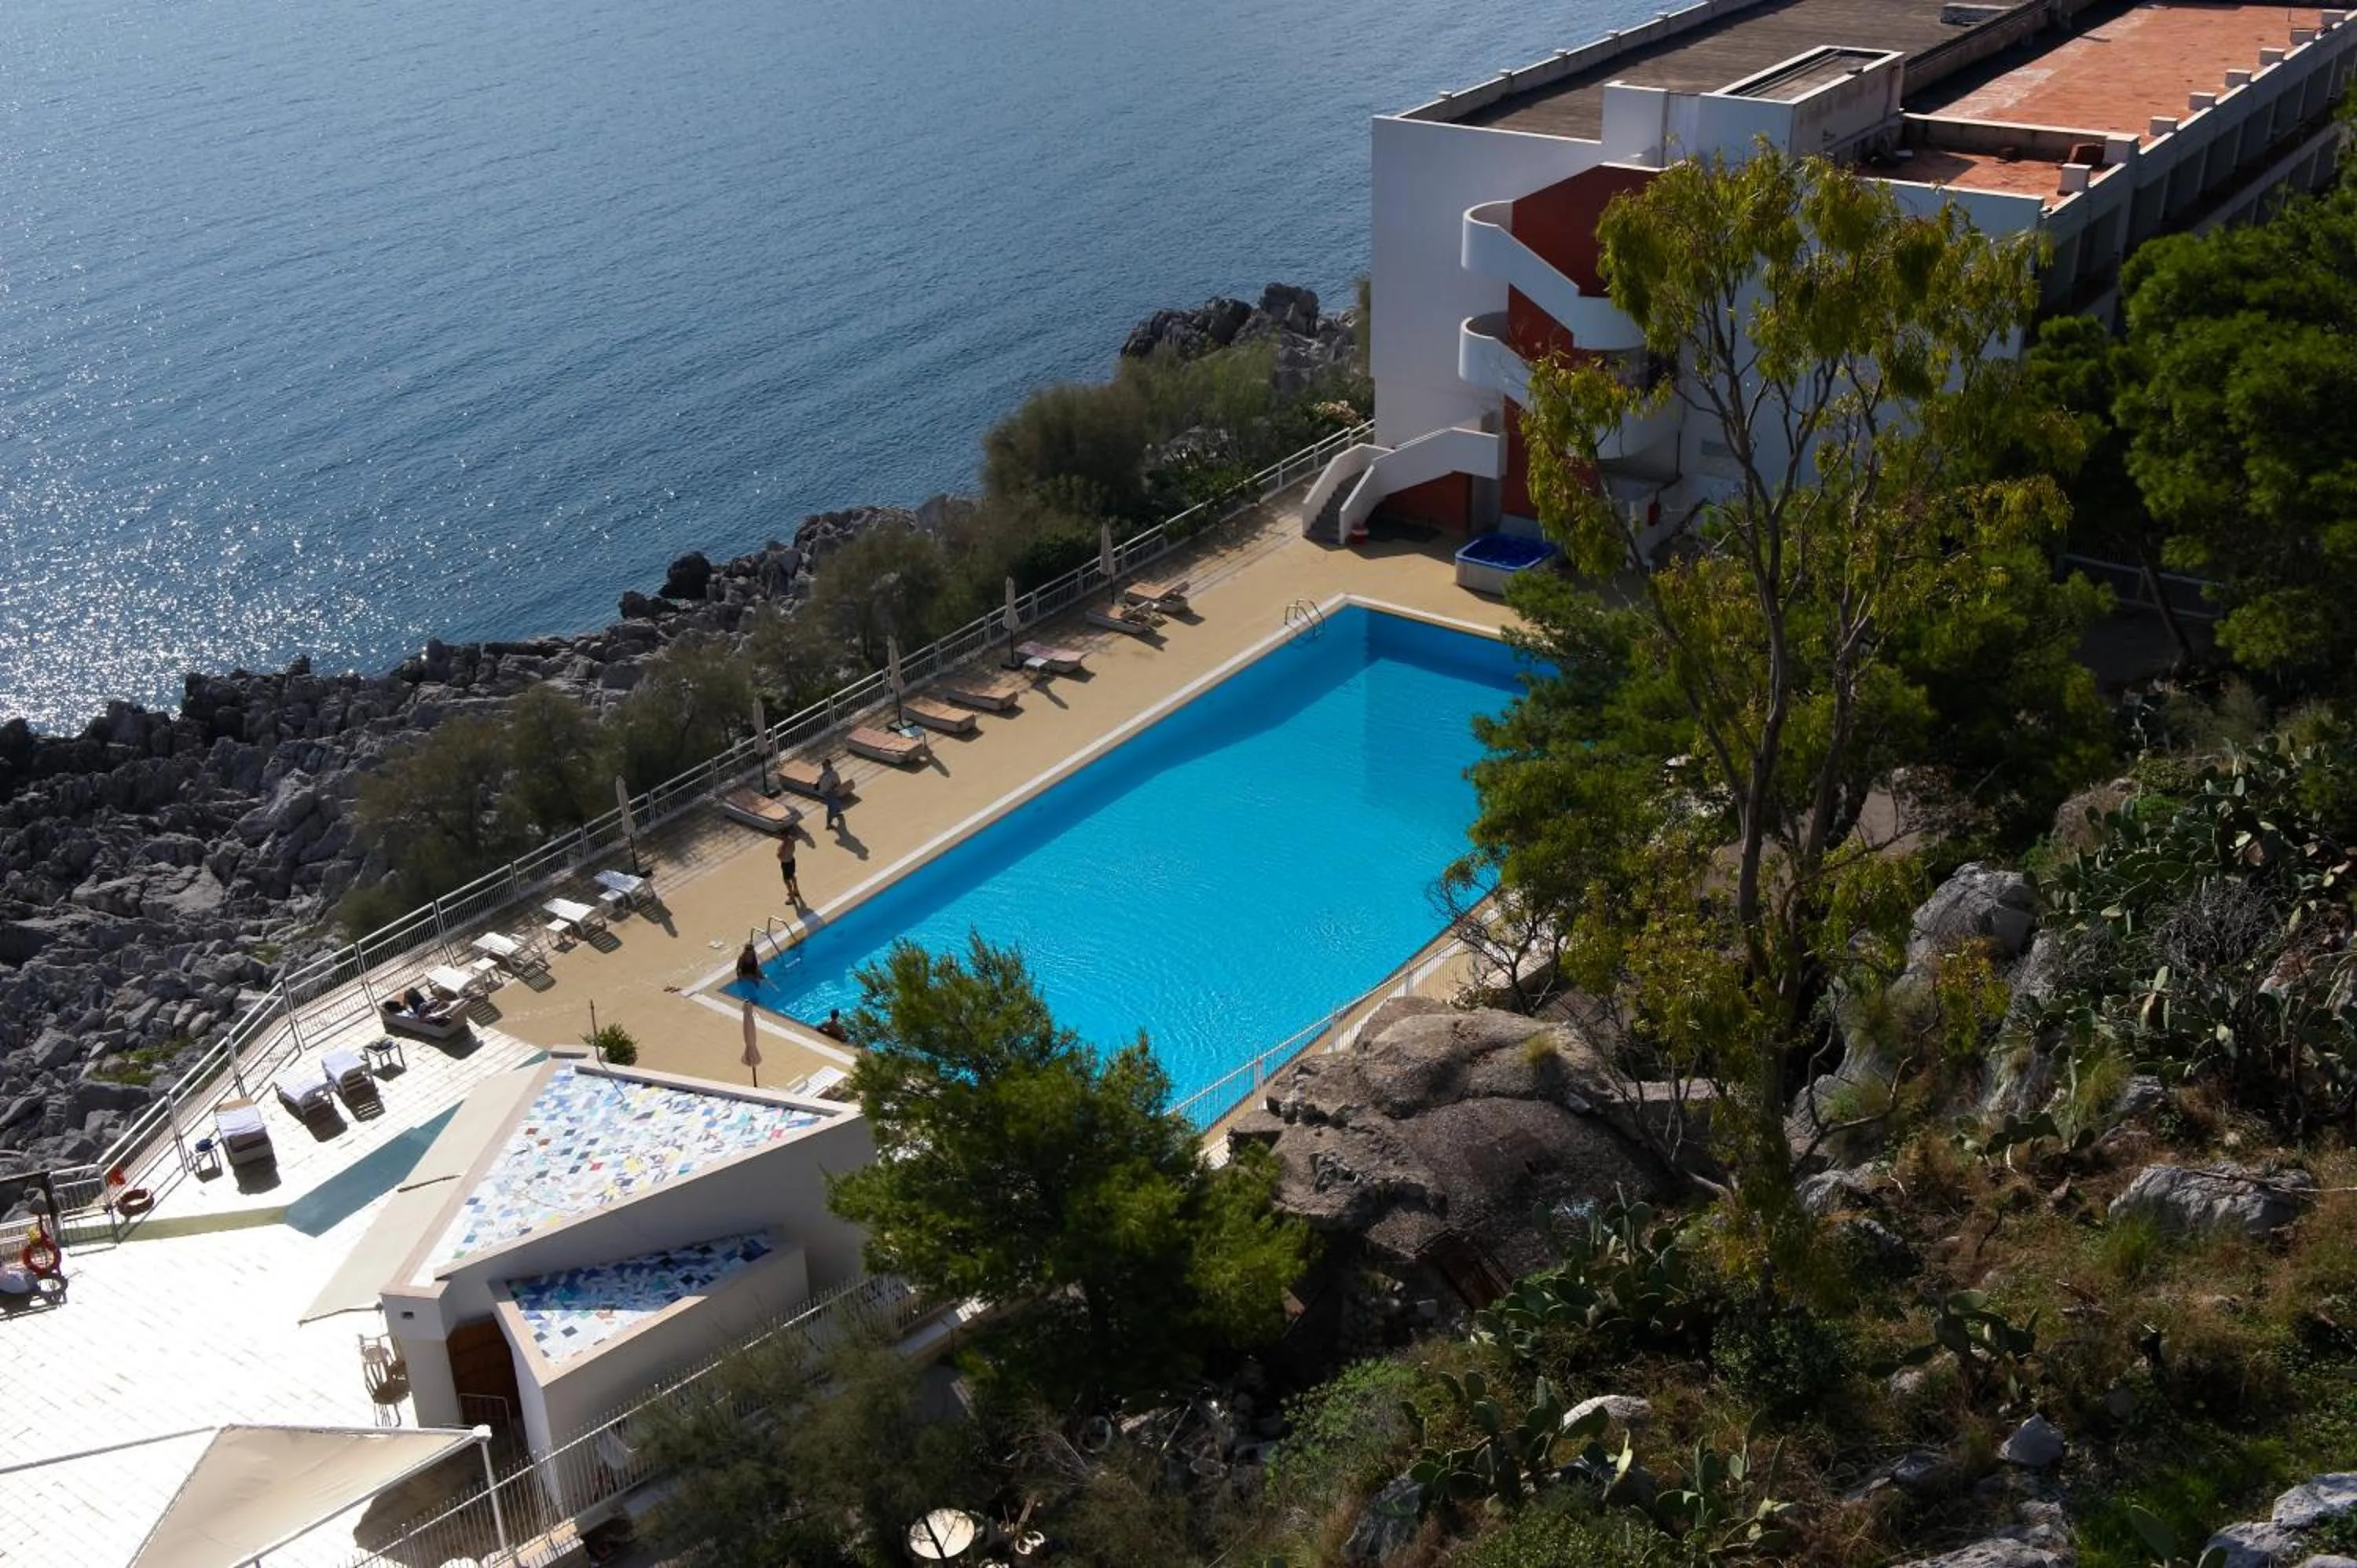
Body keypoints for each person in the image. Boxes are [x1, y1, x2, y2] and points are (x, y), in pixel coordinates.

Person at [816, 756, 846, 832]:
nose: (823, 766)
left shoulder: (833, 774)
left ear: (829, 765)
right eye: (823, 765)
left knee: (831, 808)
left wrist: (834, 789)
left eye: (825, 765)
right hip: (825, 792)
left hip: (830, 792)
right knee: (834, 804)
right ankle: (837, 813)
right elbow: (819, 780)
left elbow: (838, 783)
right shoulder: (822, 773)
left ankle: (829, 824)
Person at [776, 836, 801, 902]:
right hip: (792, 860)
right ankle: (796, 890)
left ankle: (792, 897)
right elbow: (793, 850)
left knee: (786, 880)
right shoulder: (792, 840)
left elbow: (779, 856)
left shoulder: (783, 845)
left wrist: (779, 850)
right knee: (792, 875)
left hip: (786, 864)